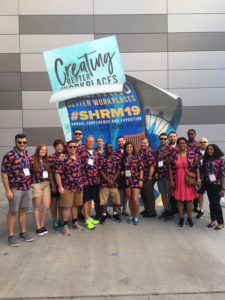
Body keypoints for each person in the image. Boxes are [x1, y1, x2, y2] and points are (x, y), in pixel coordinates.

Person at [1, 134, 34, 246]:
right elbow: (4, 173)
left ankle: (22, 233)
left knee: (23, 210)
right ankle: (11, 236)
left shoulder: (26, 153)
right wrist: (7, 190)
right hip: (15, 188)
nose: (22, 144)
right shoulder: (9, 155)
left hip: (26, 187)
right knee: (13, 211)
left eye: (24, 142)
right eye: (19, 142)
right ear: (15, 142)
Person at [169, 137, 201, 227]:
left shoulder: (192, 154)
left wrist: (198, 180)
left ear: (186, 144)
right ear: (178, 145)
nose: (182, 145)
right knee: (179, 200)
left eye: (184, 143)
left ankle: (190, 218)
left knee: (189, 200)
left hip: (189, 180)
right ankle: (181, 218)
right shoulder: (174, 155)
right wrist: (171, 181)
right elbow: (170, 169)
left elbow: (197, 168)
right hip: (178, 180)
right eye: (180, 143)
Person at [55, 140, 84, 236]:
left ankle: (74, 223)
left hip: (78, 186)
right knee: (67, 207)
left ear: (77, 148)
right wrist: (60, 186)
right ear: (67, 148)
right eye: (70, 147)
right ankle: (65, 226)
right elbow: (57, 173)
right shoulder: (63, 159)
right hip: (67, 187)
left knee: (75, 205)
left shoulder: (79, 158)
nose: (72, 148)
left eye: (74, 147)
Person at [30, 144, 52, 235]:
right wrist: (30, 184)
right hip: (36, 185)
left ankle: (42, 225)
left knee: (46, 207)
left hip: (46, 184)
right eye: (42, 149)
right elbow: (26, 172)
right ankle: (38, 227)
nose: (43, 151)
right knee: (37, 207)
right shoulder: (32, 160)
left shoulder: (45, 160)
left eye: (45, 150)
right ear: (38, 150)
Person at [202, 144, 225, 230]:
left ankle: (221, 222)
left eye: (211, 149)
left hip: (217, 185)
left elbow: (223, 175)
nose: (209, 151)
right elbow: (203, 172)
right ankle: (213, 220)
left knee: (216, 204)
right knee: (211, 203)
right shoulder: (206, 160)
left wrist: (223, 188)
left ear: (215, 150)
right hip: (209, 185)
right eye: (208, 150)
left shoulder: (221, 161)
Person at [98, 143, 121, 224]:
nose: (109, 148)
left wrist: (113, 180)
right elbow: (100, 170)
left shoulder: (117, 158)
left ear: (112, 148)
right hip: (104, 183)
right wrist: (108, 180)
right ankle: (104, 215)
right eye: (107, 147)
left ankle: (115, 214)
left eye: (110, 147)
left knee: (116, 200)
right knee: (103, 201)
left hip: (114, 183)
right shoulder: (101, 158)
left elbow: (118, 170)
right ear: (105, 148)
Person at [121, 142, 144, 225]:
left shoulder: (137, 157)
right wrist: (122, 172)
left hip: (136, 180)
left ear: (133, 148)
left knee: (135, 199)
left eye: (130, 147)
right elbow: (122, 169)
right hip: (127, 181)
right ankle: (132, 215)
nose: (129, 149)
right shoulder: (123, 158)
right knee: (130, 199)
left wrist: (141, 179)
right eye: (127, 147)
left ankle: (136, 216)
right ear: (125, 149)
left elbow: (141, 169)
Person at [80, 135, 100, 230]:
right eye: (88, 141)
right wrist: (84, 180)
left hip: (94, 180)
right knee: (86, 200)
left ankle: (88, 217)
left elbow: (96, 165)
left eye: (92, 141)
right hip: (86, 181)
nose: (90, 143)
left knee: (90, 200)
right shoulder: (81, 152)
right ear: (85, 142)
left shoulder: (95, 152)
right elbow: (79, 167)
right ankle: (87, 219)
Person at [155, 133, 174, 220]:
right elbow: (155, 163)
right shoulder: (157, 150)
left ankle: (170, 211)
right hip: (160, 176)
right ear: (159, 140)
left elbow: (174, 163)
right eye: (161, 139)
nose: (163, 140)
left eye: (164, 139)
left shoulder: (171, 149)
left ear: (167, 140)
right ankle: (165, 211)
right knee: (163, 194)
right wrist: (156, 172)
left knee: (169, 194)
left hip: (168, 175)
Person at [48, 139, 65, 229]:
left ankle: (61, 219)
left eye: (61, 146)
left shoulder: (65, 156)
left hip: (64, 184)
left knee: (62, 203)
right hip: (54, 183)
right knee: (54, 203)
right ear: (55, 147)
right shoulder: (50, 157)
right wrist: (53, 185)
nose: (59, 148)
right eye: (57, 146)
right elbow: (50, 173)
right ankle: (55, 221)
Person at [138, 137, 156, 217]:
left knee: (149, 195)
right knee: (144, 194)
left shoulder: (149, 152)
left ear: (148, 144)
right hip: (142, 178)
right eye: (142, 143)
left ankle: (151, 211)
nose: (143, 144)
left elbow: (152, 166)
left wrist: (150, 177)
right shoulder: (140, 152)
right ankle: (146, 209)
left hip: (148, 177)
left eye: (144, 143)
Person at [114, 136, 128, 216]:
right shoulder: (115, 152)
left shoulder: (128, 150)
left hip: (128, 176)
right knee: (118, 193)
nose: (121, 143)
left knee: (126, 192)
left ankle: (124, 208)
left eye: (122, 141)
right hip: (118, 175)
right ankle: (119, 208)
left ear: (124, 141)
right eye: (119, 141)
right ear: (117, 142)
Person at [196, 137, 209, 219]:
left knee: (212, 196)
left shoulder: (211, 152)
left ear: (207, 143)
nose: (203, 143)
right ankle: (201, 210)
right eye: (201, 142)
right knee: (200, 194)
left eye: (205, 142)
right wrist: (198, 179)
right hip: (200, 177)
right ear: (198, 143)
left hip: (210, 178)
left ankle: (214, 212)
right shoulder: (195, 153)